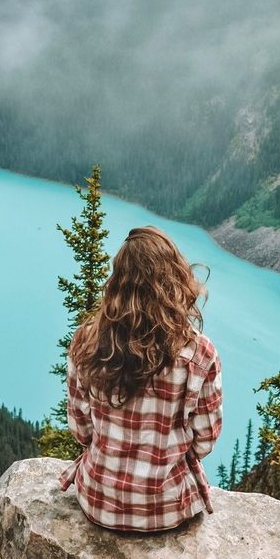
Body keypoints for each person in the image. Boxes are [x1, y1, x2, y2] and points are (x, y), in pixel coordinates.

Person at [58, 225, 223, 532]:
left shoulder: (86, 341)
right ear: (174, 280)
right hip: (169, 508)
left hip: (99, 502)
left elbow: (81, 431)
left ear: (118, 282)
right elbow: (205, 439)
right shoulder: (200, 352)